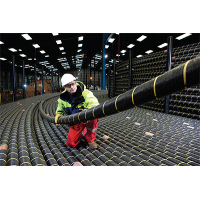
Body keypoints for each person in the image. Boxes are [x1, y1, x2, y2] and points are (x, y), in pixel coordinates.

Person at [55, 73, 99, 149]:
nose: (71, 87)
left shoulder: (86, 93)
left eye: (73, 84)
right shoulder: (63, 97)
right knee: (71, 143)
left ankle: (90, 140)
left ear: (75, 82)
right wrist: (59, 114)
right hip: (76, 121)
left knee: (94, 116)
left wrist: (86, 114)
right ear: (65, 87)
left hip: (87, 119)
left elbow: (94, 104)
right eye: (68, 86)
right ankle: (83, 131)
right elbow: (60, 107)